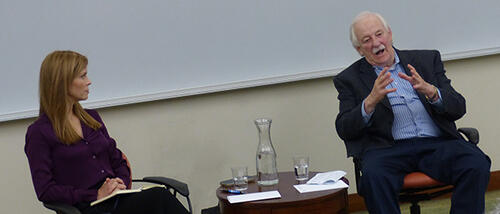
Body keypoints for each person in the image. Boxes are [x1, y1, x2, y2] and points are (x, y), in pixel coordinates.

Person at [333, 11, 491, 213]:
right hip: (387, 150)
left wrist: (431, 92)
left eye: (379, 34)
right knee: (373, 178)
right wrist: (370, 101)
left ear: (389, 34)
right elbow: (344, 128)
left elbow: (458, 107)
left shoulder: (426, 60)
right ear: (359, 49)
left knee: (475, 163)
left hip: (436, 143)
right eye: (367, 40)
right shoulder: (349, 79)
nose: (375, 43)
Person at [25, 50, 189, 214]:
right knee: (158, 197)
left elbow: (118, 159)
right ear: (62, 82)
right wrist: (94, 195)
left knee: (159, 196)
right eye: (82, 76)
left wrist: (119, 184)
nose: (89, 81)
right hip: (87, 208)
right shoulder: (39, 133)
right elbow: (45, 190)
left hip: (116, 200)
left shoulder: (91, 118)